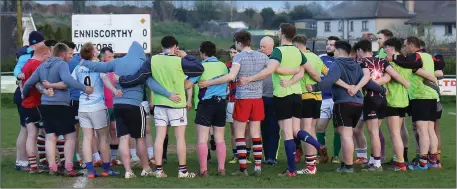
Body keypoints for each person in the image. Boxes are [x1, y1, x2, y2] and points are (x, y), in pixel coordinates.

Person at [236, 24, 322, 177]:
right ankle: (317, 145)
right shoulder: (298, 51)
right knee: (296, 131)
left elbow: (269, 70)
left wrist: (249, 78)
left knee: (288, 133)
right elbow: (312, 73)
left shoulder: (278, 51)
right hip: (297, 95)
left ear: (282, 34)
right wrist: (311, 81)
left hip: (282, 96)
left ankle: (291, 170)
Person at [81, 41, 176, 178]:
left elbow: (98, 66)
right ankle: (146, 168)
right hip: (135, 105)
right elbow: (151, 83)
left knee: (123, 138)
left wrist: (84, 62)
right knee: (140, 138)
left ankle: (128, 171)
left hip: (118, 105)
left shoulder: (117, 62)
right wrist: (168, 94)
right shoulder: (141, 64)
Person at [116, 37, 204, 178]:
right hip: (177, 103)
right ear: (175, 46)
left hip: (159, 103)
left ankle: (158, 170)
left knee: (159, 138)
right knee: (180, 137)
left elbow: (139, 77)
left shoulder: (153, 60)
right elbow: (199, 69)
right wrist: (185, 56)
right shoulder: (179, 60)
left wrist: (121, 80)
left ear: (162, 46)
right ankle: (182, 171)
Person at [308, 41, 387, 173]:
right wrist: (382, 90)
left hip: (343, 103)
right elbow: (367, 82)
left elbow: (329, 80)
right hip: (358, 104)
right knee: (346, 133)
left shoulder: (337, 64)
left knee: (346, 135)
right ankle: (345, 164)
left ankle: (348, 166)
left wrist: (314, 87)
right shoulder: (356, 65)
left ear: (338, 51)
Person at [198, 30, 268, 176]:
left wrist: (209, 83)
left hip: (243, 98)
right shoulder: (262, 56)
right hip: (258, 98)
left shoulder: (239, 57)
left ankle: (243, 168)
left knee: (240, 133)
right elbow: (269, 71)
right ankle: (257, 167)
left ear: (238, 43)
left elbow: (230, 77)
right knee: (255, 133)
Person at [22, 43, 93, 177]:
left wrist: (23, 95)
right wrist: (84, 88)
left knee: (50, 136)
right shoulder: (62, 64)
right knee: (70, 136)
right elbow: (67, 80)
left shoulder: (42, 66)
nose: (69, 57)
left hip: (46, 105)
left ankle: (52, 167)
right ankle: (68, 167)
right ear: (63, 54)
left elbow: (29, 83)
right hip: (61, 104)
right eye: (68, 54)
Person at [389, 37, 440, 170]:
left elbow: (408, 64)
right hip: (432, 96)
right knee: (430, 130)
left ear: (412, 45)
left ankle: (422, 162)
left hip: (420, 95)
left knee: (422, 130)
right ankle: (433, 161)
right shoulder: (428, 56)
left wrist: (394, 58)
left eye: (405, 45)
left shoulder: (415, 56)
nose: (404, 48)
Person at [71, 43, 120, 178]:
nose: (98, 50)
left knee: (87, 138)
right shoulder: (99, 66)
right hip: (97, 106)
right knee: (103, 138)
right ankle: (106, 168)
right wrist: (115, 90)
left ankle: (91, 171)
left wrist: (82, 88)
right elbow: (106, 81)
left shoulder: (78, 67)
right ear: (92, 53)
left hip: (83, 107)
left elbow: (70, 81)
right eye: (95, 49)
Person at [187, 41, 228, 177]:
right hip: (221, 103)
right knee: (220, 138)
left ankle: (203, 170)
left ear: (202, 52)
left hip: (207, 104)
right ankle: (221, 169)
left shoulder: (201, 66)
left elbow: (188, 85)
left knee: (202, 138)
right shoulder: (223, 66)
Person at [290, 35, 328, 174]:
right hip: (318, 97)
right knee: (311, 129)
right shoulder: (317, 58)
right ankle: (312, 163)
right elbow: (328, 74)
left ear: (296, 46)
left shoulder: (299, 58)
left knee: (305, 131)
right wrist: (318, 84)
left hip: (304, 96)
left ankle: (310, 166)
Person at [13, 31, 45, 171]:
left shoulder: (34, 56)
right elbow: (18, 71)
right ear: (36, 44)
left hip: (28, 95)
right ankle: (22, 161)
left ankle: (22, 160)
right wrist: (19, 76)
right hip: (24, 96)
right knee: (27, 130)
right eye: (42, 43)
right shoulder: (26, 57)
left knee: (27, 130)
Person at [21, 44, 52, 173]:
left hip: (26, 104)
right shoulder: (36, 65)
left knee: (32, 134)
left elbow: (23, 82)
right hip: (36, 103)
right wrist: (45, 92)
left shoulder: (26, 64)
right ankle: (52, 162)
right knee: (48, 134)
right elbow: (36, 82)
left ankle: (33, 165)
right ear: (44, 54)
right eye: (49, 54)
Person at [316, 36, 342, 164]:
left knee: (338, 129)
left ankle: (336, 156)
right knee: (320, 127)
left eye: (332, 44)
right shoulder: (321, 58)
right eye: (328, 44)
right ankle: (321, 154)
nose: (329, 46)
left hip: (338, 99)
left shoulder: (341, 60)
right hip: (324, 99)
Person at [99, 47, 123, 166]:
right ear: (102, 57)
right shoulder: (98, 70)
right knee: (102, 133)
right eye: (109, 57)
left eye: (112, 56)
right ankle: (100, 157)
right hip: (102, 106)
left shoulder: (117, 70)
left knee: (114, 131)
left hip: (115, 105)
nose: (111, 59)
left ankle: (113, 157)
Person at [259, 36, 281, 165]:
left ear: (272, 46)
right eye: (261, 46)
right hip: (260, 97)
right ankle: (266, 156)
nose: (261, 49)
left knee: (273, 128)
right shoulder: (258, 57)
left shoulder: (278, 58)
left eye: (264, 46)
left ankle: (272, 156)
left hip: (274, 97)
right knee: (263, 128)